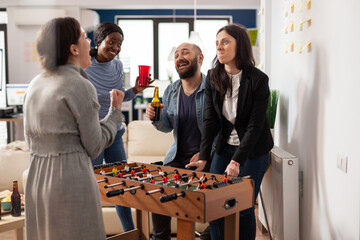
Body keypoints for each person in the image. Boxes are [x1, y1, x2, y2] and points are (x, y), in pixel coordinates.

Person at [23, 17, 125, 240]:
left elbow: (30, 141)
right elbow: (95, 146)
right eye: (84, 37)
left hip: (36, 180)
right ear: (73, 48)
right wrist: (115, 111)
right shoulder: (79, 84)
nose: (89, 42)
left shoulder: (35, 83)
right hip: (69, 180)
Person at [186, 23, 274, 240]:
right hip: (223, 147)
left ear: (240, 45)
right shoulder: (213, 76)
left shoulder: (258, 80)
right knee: (215, 206)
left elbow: (255, 126)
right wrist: (204, 157)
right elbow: (210, 121)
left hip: (252, 151)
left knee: (243, 208)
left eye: (225, 42)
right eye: (217, 43)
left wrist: (236, 161)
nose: (219, 47)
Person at [84, 22, 152, 232]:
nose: (115, 48)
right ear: (99, 41)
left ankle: (131, 234)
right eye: (111, 42)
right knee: (93, 187)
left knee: (120, 185)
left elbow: (119, 98)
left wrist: (136, 90)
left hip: (114, 132)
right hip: (94, 134)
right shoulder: (84, 65)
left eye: (119, 44)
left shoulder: (118, 66)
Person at [145, 42, 209, 240]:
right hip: (178, 157)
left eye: (185, 52)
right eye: (176, 54)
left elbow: (222, 129)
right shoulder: (172, 90)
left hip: (207, 159)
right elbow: (166, 127)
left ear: (200, 58)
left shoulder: (214, 88)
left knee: (221, 206)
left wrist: (205, 154)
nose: (179, 57)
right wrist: (155, 117)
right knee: (157, 188)